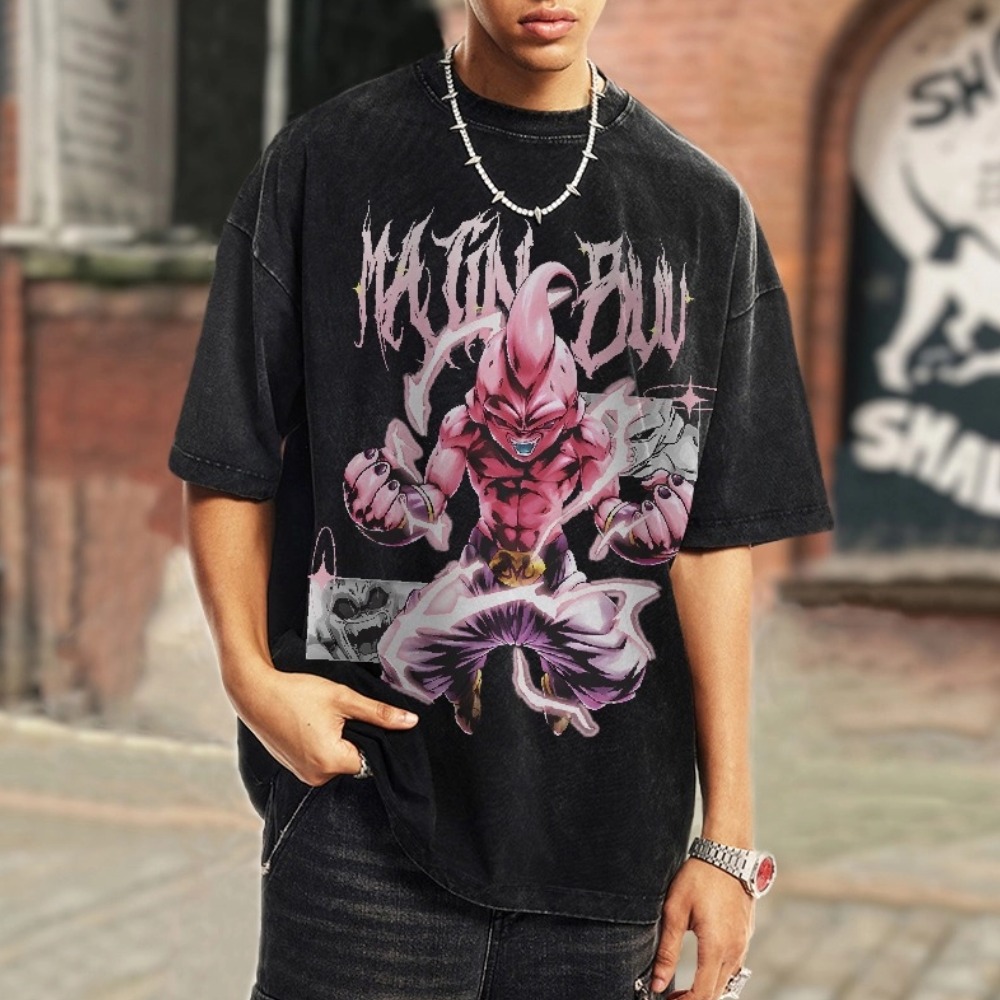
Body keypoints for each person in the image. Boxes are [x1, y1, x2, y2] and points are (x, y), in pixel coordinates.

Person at [168, 2, 834, 998]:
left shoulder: (697, 210)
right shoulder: (326, 163)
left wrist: (727, 840)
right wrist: (249, 678)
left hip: (611, 844)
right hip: (368, 817)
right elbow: (230, 453)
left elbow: (708, 536)